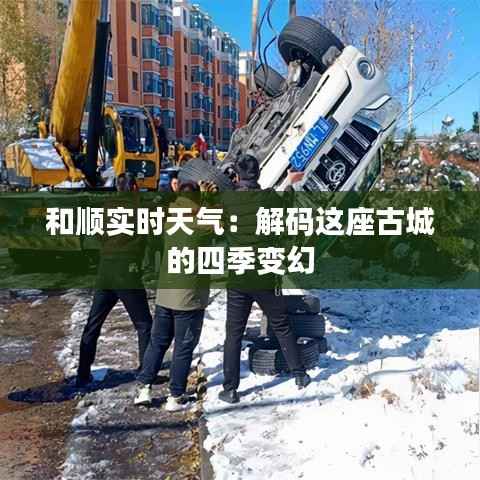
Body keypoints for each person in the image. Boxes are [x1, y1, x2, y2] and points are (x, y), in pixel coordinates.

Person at [219, 155, 311, 404]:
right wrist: (290, 182)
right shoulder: (269, 199)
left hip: (238, 274)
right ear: (258, 175)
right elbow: (286, 203)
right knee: (281, 325)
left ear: (237, 176)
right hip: (264, 274)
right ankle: (299, 374)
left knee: (234, 333)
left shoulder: (227, 199)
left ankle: (230, 389)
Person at [134, 181, 212, 411]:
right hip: (188, 298)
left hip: (165, 293)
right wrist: (207, 199)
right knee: (183, 347)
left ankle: (144, 389)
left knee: (158, 342)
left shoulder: (170, 219)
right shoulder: (199, 224)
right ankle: (175, 396)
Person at [76, 173, 153, 387]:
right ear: (134, 187)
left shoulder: (106, 208)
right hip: (127, 272)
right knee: (144, 324)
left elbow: (98, 234)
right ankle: (146, 372)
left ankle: (82, 374)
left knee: (93, 323)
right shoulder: (140, 209)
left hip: (105, 270)